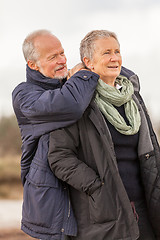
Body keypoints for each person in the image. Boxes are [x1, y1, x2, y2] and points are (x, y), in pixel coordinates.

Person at [48, 30, 160, 239]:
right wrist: (97, 187)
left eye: (117, 51)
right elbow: (59, 157)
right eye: (106, 52)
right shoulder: (77, 103)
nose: (114, 57)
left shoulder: (133, 97)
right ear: (88, 62)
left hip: (145, 208)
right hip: (106, 213)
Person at [12, 29, 100, 239]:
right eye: (53, 57)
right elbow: (71, 105)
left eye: (62, 53)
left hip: (81, 192)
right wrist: (83, 72)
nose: (62, 60)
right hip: (50, 200)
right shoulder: (24, 95)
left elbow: (112, 71)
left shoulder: (71, 84)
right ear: (33, 64)